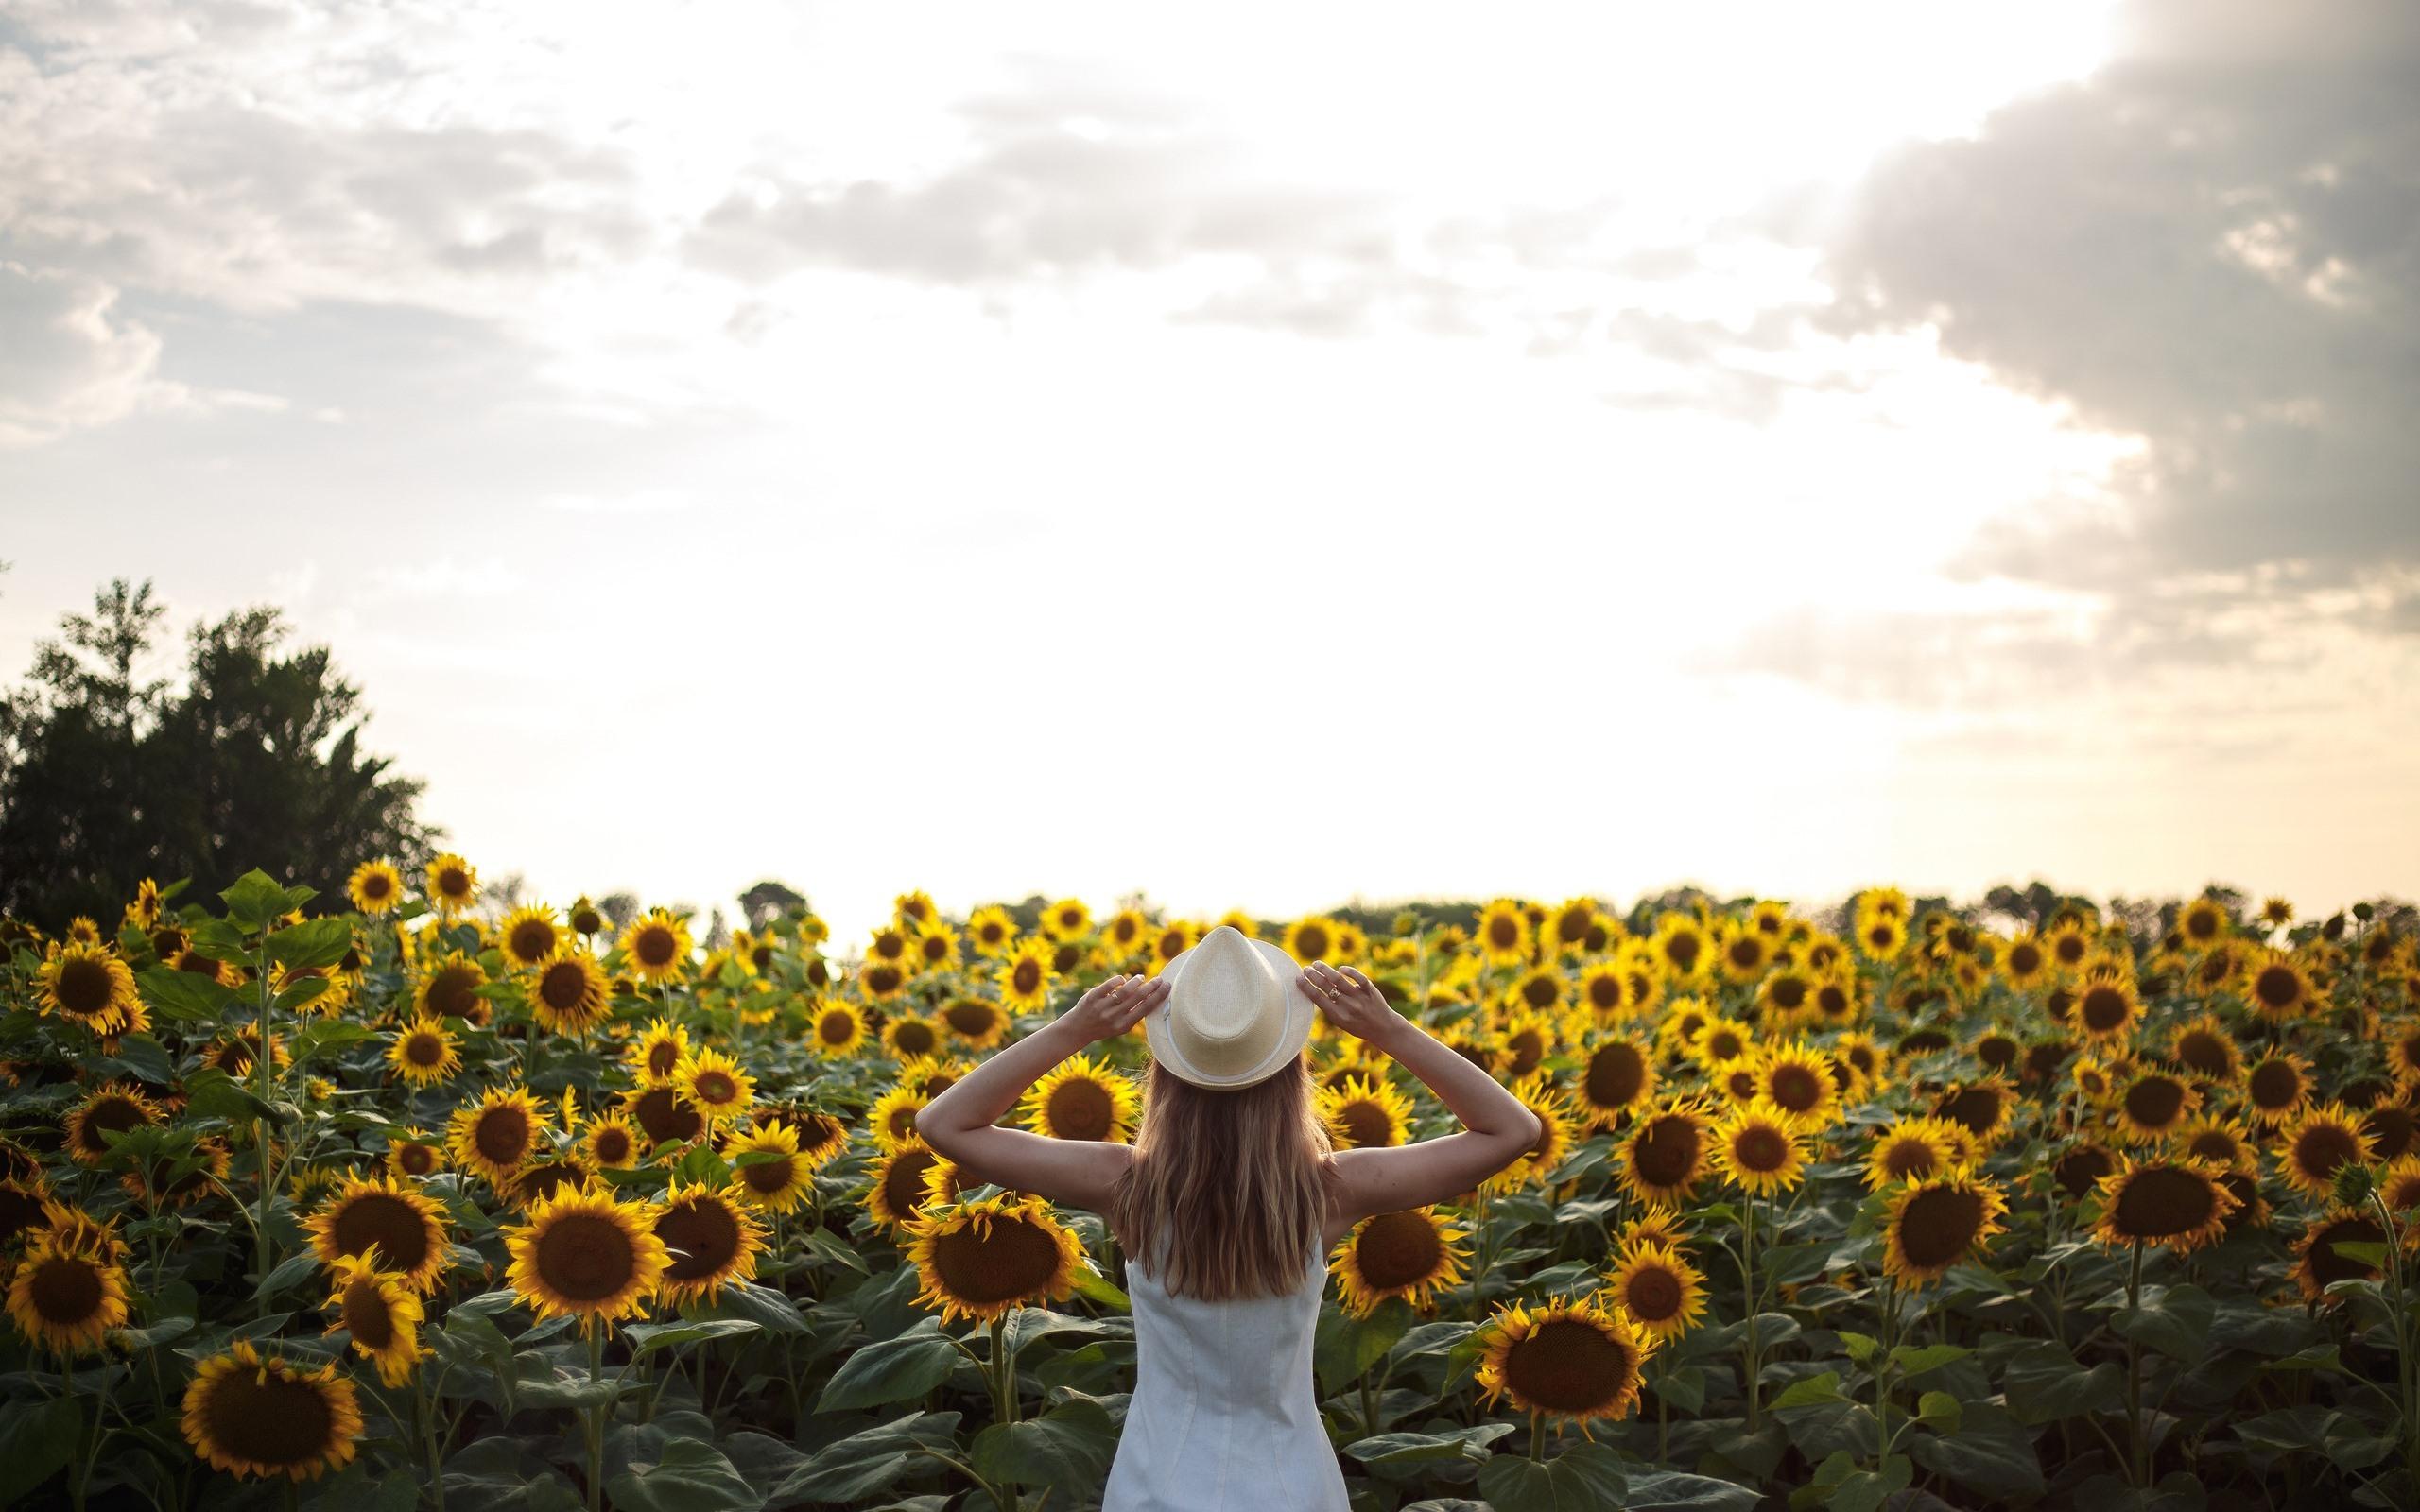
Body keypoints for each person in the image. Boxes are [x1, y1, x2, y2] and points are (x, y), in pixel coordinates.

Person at [915, 923, 1545, 1512]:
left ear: (1164, 1072)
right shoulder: (1328, 1192)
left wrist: (1074, 1029)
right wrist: (1388, 1030)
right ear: (1293, 1069)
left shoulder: (1127, 1186)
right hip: (1293, 1480)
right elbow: (1511, 1130)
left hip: (1157, 1479)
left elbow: (944, 1123)